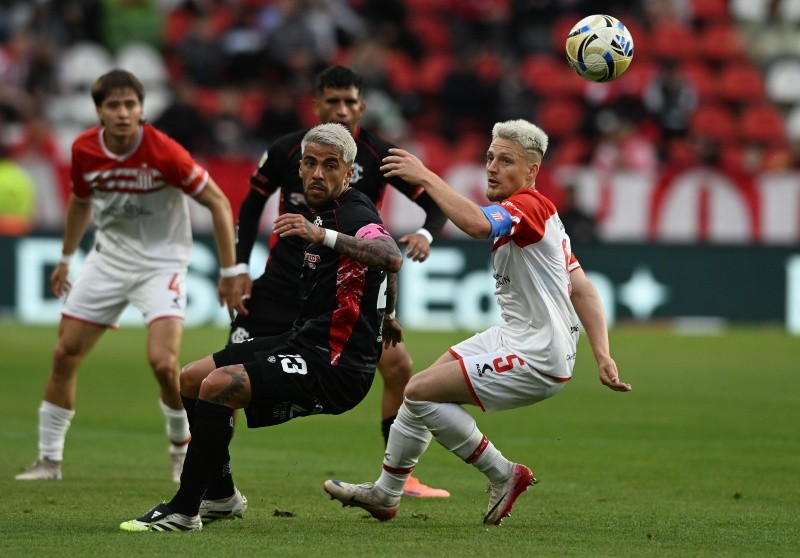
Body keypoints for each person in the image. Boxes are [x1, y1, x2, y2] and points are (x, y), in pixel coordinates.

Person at [323, 119, 632, 526]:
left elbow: (476, 225)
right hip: (515, 336)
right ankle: (386, 493)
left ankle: (503, 473)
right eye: (489, 158)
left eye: (506, 161)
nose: (492, 167)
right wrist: (602, 355)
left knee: (417, 391)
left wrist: (427, 177)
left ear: (532, 171)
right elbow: (584, 290)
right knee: (420, 395)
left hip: (538, 352)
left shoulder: (530, 206)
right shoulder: (547, 220)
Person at [120, 122, 403, 532]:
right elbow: (383, 268)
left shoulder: (351, 211)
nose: (318, 174)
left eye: (330, 165)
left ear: (348, 172)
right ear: (300, 169)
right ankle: (221, 496)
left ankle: (184, 510)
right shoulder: (322, 210)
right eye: (310, 164)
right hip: (307, 342)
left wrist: (320, 235)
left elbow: (389, 255)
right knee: (191, 378)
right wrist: (389, 314)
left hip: (336, 366)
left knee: (219, 386)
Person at [231, 65, 449, 498]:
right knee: (227, 368)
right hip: (281, 281)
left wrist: (425, 233)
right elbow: (250, 207)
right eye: (332, 101)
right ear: (316, 106)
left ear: (361, 107)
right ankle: (213, 472)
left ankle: (400, 479)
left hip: (341, 286)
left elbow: (436, 206)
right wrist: (237, 268)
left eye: (349, 101)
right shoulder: (287, 150)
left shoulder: (380, 154)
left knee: (401, 367)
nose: (341, 109)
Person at [15, 69, 240, 483]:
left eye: (131, 105)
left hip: (162, 264)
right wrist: (66, 258)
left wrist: (230, 272)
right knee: (64, 354)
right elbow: (80, 203)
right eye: (114, 105)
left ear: (141, 109)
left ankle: (180, 451)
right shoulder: (84, 149)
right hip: (108, 261)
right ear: (99, 111)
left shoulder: (164, 152)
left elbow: (219, 203)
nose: (123, 113)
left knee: (162, 363)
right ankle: (49, 461)